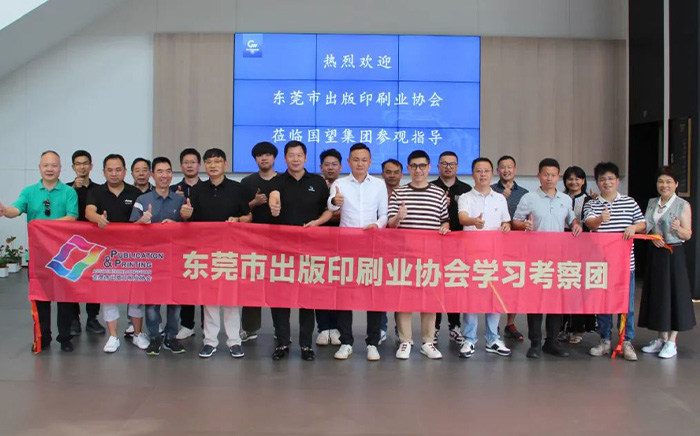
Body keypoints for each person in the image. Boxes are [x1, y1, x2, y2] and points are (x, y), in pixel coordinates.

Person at [0, 151, 78, 353]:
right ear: (40, 168)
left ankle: (65, 337)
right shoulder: (29, 191)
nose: (50, 169)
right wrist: (5, 211)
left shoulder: (69, 192)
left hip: (63, 255)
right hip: (38, 255)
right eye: (46, 165)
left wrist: (43, 225)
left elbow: (72, 217)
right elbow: (15, 209)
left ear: (60, 168)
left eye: (54, 165)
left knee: (65, 298)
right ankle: (44, 337)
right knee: (41, 297)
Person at [180, 148, 252, 359]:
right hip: (205, 250)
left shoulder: (238, 189)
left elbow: (248, 216)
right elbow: (191, 219)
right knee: (209, 297)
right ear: (204, 165)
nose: (213, 165)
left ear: (225, 164)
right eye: (209, 162)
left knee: (230, 298)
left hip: (231, 250)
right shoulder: (197, 190)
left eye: (217, 161)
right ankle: (210, 341)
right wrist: (186, 215)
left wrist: (238, 220)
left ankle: (234, 341)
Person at [268, 140, 334, 361]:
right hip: (281, 249)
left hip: (310, 248)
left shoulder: (317, 182)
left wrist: (317, 222)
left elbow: (329, 210)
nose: (295, 159)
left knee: (307, 297)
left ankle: (306, 344)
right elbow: (273, 197)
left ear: (305, 158)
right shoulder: (277, 181)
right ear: (285, 158)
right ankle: (282, 343)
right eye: (291, 155)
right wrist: (274, 206)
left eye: (299, 155)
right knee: (281, 298)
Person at [512, 158, 582, 358]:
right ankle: (535, 344)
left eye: (553, 175)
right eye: (545, 174)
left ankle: (551, 342)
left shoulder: (565, 199)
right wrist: (523, 225)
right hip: (535, 259)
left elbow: (571, 219)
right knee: (535, 303)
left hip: (559, 258)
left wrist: (576, 224)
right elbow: (516, 221)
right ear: (539, 176)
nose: (549, 178)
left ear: (558, 176)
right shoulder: (529, 198)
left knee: (555, 303)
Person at [327, 143, 388, 361]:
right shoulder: (340, 183)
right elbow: (331, 207)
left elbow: (384, 214)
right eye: (355, 159)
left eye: (364, 160)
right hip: (346, 246)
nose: (360, 163)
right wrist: (335, 201)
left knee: (374, 294)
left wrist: (377, 225)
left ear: (370, 162)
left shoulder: (379, 184)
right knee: (345, 294)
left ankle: (372, 343)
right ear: (348, 162)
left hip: (373, 245)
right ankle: (346, 342)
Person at [388, 150, 449, 360]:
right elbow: (391, 225)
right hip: (405, 256)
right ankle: (405, 341)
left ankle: (428, 342)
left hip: (430, 256)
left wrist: (445, 227)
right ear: (408, 168)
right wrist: (398, 217)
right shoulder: (399, 193)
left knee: (429, 299)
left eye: (422, 166)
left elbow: (445, 220)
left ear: (429, 168)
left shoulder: (438, 194)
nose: (418, 170)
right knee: (404, 299)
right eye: (414, 166)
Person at [85, 154, 148, 353]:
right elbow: (89, 211)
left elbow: (140, 219)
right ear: (104, 172)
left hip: (132, 252)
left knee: (135, 294)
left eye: (118, 169)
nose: (114, 173)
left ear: (125, 171)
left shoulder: (135, 192)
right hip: (106, 252)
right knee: (108, 295)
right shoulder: (96, 192)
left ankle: (137, 334)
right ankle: (113, 336)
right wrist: (98, 219)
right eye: (110, 170)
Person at [583, 162, 645, 361]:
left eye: (610, 179)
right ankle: (605, 340)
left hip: (625, 265)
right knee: (603, 304)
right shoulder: (592, 204)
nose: (607, 182)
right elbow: (589, 223)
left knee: (627, 305)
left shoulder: (629, 202)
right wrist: (600, 219)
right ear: (597, 182)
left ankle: (626, 341)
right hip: (601, 265)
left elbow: (643, 223)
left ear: (617, 181)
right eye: (602, 179)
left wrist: (634, 228)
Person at [130, 157, 186, 356]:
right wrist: (142, 222)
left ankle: (171, 337)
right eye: (160, 171)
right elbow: (131, 228)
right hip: (151, 259)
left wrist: (179, 223)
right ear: (153, 175)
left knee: (175, 301)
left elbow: (189, 231)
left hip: (175, 259)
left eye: (168, 171)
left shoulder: (180, 200)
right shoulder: (142, 200)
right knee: (152, 302)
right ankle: (155, 337)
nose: (164, 175)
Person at [638, 167, 696, 358]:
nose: (664, 185)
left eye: (669, 182)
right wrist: (651, 236)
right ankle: (661, 338)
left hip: (673, 254)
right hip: (655, 253)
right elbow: (647, 226)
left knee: (674, 295)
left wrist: (678, 229)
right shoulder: (652, 203)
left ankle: (672, 341)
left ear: (676, 184)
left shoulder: (682, 205)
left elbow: (687, 234)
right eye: (661, 181)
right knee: (658, 295)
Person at [457, 157, 511, 358]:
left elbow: (506, 222)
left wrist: (506, 226)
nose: (482, 174)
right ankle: (469, 339)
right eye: (478, 171)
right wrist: (474, 221)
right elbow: (462, 218)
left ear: (492, 173)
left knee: (494, 297)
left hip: (494, 256)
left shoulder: (500, 198)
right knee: (471, 298)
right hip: (471, 256)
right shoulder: (465, 197)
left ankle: (493, 339)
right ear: (473, 174)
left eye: (486, 171)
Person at [239, 142, 278, 343]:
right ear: (255, 159)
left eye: (268, 155)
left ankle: (280, 328)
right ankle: (250, 328)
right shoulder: (247, 182)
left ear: (274, 158)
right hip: (252, 241)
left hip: (279, 241)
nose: (264, 158)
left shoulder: (283, 180)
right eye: (260, 155)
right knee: (251, 284)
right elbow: (239, 209)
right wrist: (253, 204)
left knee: (278, 284)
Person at [430, 151, 471, 345]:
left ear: (457, 166)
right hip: (435, 244)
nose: (448, 167)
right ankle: (434, 327)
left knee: (455, 285)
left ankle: (455, 326)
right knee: (436, 286)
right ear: (438, 166)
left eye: (452, 164)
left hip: (460, 246)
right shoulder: (431, 188)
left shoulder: (466, 189)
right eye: (444, 163)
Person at [67, 149, 105, 335]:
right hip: (71, 241)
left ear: (91, 166)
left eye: (85, 163)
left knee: (93, 279)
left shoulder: (99, 189)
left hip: (94, 242)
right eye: (78, 164)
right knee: (72, 278)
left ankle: (92, 318)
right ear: (73, 167)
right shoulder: (66, 189)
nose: (82, 167)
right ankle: (74, 319)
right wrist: (74, 189)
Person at [491, 155, 528, 341]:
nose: (506, 170)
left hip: (517, 246)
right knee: (496, 285)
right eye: (503, 167)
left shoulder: (525, 193)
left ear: (515, 170)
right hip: (495, 245)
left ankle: (510, 323)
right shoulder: (490, 190)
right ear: (497, 171)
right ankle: (494, 324)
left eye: (509, 167)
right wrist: (499, 199)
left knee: (514, 284)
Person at [559, 166, 596, 344]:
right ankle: (562, 327)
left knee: (578, 288)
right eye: (570, 179)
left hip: (583, 248)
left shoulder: (590, 200)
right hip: (562, 248)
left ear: (583, 181)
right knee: (562, 287)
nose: (573, 182)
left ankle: (578, 328)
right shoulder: (559, 198)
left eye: (577, 179)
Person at [171, 148, 204, 341]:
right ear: (181, 166)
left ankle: (207, 326)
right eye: (186, 162)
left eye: (193, 162)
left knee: (206, 285)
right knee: (186, 285)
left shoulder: (208, 187)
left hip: (204, 244)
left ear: (199, 165)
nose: (189, 165)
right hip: (182, 245)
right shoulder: (174, 189)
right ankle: (187, 324)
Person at [316, 148, 343, 345]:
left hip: (342, 240)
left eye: (334, 164)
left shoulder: (346, 185)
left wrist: (327, 213)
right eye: (327, 164)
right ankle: (323, 328)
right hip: (319, 240)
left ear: (341, 167)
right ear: (321, 167)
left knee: (339, 285)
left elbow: (347, 213)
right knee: (320, 282)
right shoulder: (315, 185)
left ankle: (337, 328)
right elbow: (314, 212)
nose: (330, 168)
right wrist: (329, 214)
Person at [379, 158, 403, 340]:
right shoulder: (376, 192)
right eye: (388, 172)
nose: (392, 175)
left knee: (399, 289)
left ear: (401, 174)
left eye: (396, 172)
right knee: (380, 288)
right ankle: (381, 328)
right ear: (383, 174)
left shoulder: (407, 193)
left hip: (401, 248)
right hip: (379, 247)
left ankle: (401, 330)